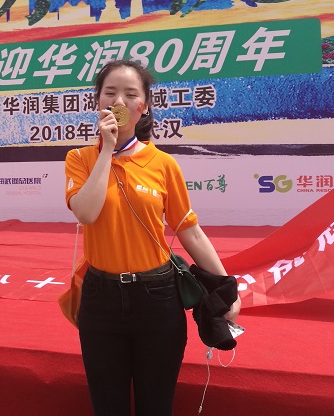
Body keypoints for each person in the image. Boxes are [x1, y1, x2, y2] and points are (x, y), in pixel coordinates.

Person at [64, 59, 241, 415]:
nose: (119, 101)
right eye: (110, 93)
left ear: (143, 107)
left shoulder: (163, 164)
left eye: (131, 94)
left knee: (156, 405)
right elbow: (86, 213)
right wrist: (107, 149)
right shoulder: (80, 159)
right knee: (107, 406)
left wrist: (227, 288)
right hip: (100, 299)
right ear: (97, 102)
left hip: (157, 299)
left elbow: (189, 230)